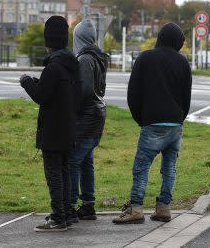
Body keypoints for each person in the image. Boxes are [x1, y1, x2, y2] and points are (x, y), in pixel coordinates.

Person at [113, 23, 192, 225]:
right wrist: (179, 118)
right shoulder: (183, 63)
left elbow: (133, 94)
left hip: (152, 122)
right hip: (175, 123)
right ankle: (164, 207)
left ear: (160, 37)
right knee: (169, 167)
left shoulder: (146, 58)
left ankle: (136, 208)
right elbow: (186, 98)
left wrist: (141, 118)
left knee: (141, 166)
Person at [20, 16, 80, 232]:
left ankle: (58, 217)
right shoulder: (72, 65)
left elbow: (41, 96)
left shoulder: (53, 67)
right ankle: (66, 212)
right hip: (69, 128)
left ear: (49, 40)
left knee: (54, 174)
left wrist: (27, 82)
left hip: (53, 131)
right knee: (64, 172)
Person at [69, 19, 108, 221]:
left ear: (79, 38)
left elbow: (83, 91)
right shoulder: (98, 57)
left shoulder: (84, 59)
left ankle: (71, 204)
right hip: (97, 114)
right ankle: (88, 204)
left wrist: (71, 107)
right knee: (86, 162)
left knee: (73, 160)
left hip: (87, 116)